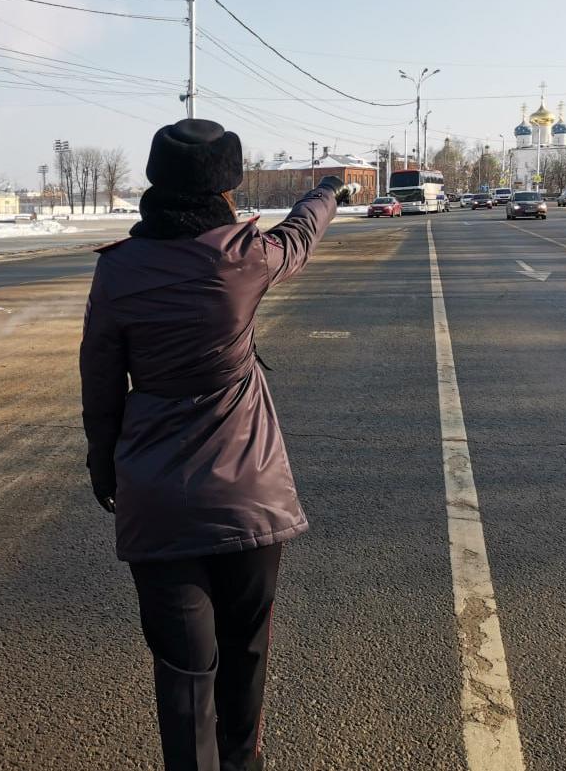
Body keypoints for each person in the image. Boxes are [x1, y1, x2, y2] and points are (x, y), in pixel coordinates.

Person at [80, 118, 348, 770]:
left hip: (158, 504)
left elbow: (100, 383)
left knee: (185, 674)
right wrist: (326, 191)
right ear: (226, 188)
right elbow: (300, 235)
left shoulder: (118, 272)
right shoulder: (244, 258)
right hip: (249, 500)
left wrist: (105, 465)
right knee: (246, 653)